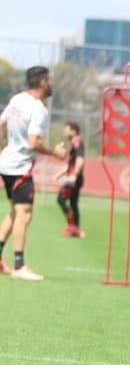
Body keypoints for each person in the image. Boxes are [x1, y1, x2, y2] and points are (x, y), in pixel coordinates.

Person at [0, 66, 66, 280]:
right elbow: (34, 142)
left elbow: (1, 124)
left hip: (7, 164)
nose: (53, 84)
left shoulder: (17, 99)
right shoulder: (39, 109)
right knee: (24, 214)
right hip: (20, 168)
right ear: (43, 83)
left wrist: (2, 149)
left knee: (14, 212)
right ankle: (19, 266)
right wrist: (55, 152)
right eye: (51, 80)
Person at [53, 121, 86, 238]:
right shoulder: (74, 144)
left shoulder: (77, 143)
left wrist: (74, 175)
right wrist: (59, 174)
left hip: (73, 179)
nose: (64, 132)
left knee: (61, 199)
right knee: (73, 203)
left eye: (66, 130)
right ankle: (76, 229)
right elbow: (71, 163)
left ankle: (72, 227)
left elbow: (80, 159)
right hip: (74, 178)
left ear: (73, 131)